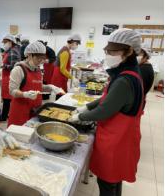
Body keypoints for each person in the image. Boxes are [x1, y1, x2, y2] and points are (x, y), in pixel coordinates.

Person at [69, 28, 144, 196]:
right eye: (107, 51)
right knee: (114, 181)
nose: (109, 54)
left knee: (107, 184)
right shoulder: (129, 73)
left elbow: (104, 111)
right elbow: (110, 99)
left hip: (116, 141)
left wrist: (80, 116)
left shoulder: (124, 80)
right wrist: (88, 106)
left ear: (129, 51)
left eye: (113, 51)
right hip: (123, 138)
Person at [8, 41, 64, 126]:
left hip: (35, 109)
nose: (40, 61)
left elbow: (37, 86)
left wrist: (50, 87)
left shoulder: (37, 69)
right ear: (29, 55)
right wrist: (25, 94)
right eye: (38, 58)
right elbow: (12, 91)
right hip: (20, 111)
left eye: (42, 59)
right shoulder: (19, 69)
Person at [1, 34, 21, 121]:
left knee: (7, 98)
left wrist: (3, 65)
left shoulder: (13, 51)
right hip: (6, 76)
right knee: (7, 98)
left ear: (10, 42)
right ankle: (6, 114)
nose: (4, 44)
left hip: (9, 77)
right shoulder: (10, 51)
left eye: (5, 42)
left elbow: (14, 67)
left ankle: (3, 116)